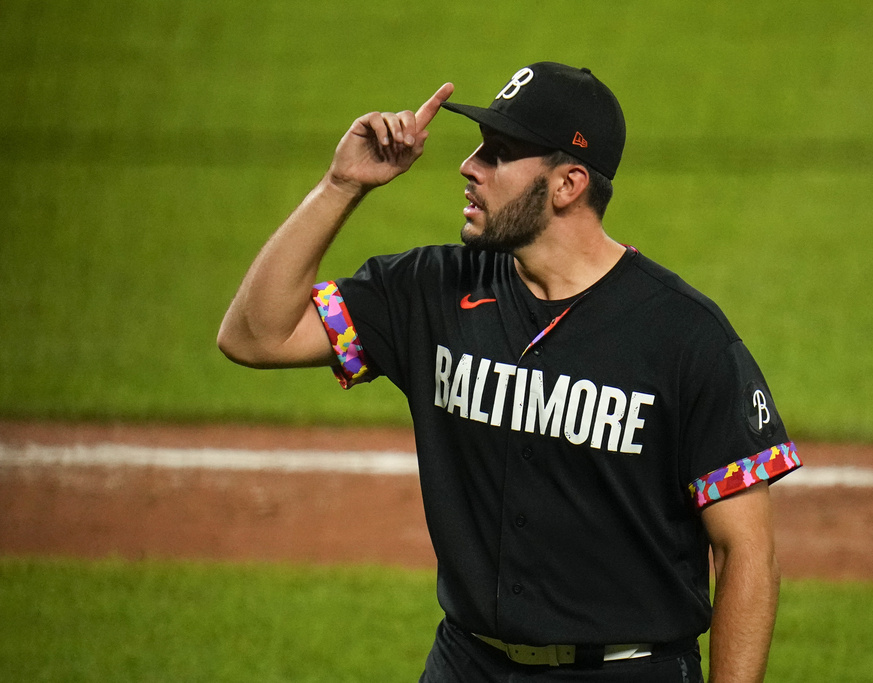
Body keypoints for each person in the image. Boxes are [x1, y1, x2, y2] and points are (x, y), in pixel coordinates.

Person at [218, 62, 801, 682]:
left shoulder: (685, 338)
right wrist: (341, 185)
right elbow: (255, 335)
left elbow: (747, 552)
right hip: (466, 665)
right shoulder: (431, 291)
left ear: (568, 184)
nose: (469, 166)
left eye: (498, 154)